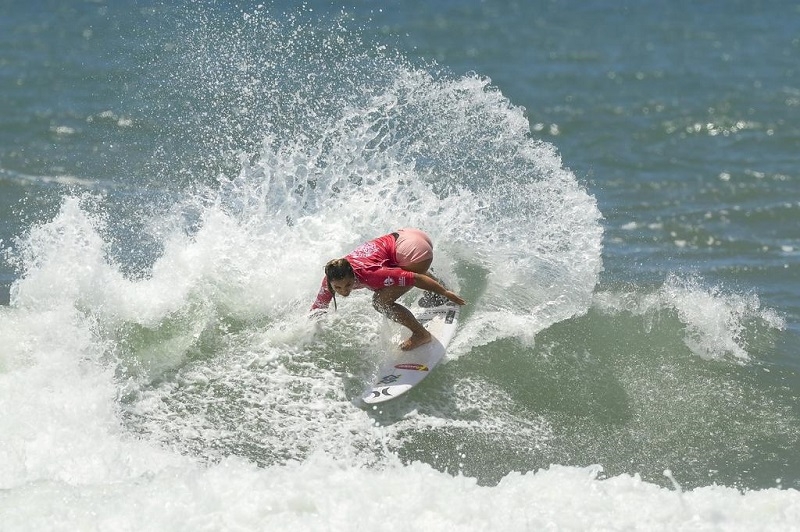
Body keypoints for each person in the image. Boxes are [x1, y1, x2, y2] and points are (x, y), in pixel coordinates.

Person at [311, 228, 466, 350]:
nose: (343, 291)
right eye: (337, 287)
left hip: (416, 252)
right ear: (330, 281)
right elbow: (318, 307)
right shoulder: (331, 277)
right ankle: (435, 289)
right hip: (408, 235)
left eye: (348, 285)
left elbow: (415, 278)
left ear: (354, 276)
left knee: (380, 301)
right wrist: (309, 332)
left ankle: (421, 334)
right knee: (401, 271)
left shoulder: (371, 274)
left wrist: (445, 293)